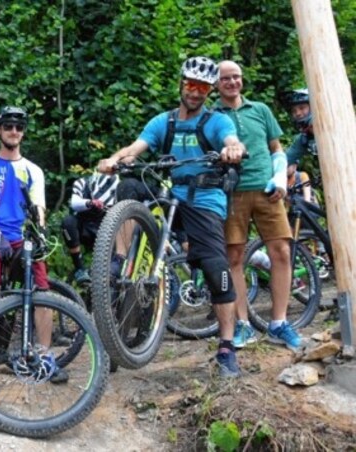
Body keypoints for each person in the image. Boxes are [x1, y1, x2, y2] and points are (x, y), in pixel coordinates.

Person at [97, 57, 246, 378]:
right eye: (190, 85)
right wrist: (113, 159)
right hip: (169, 195)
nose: (195, 92)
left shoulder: (216, 121)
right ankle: (122, 259)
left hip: (204, 200)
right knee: (130, 186)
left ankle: (226, 346)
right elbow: (135, 149)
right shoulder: (162, 122)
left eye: (203, 87)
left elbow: (231, 140)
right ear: (181, 84)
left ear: (209, 90)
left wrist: (232, 149)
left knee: (216, 267)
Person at [0, 106, 68, 384]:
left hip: (24, 238)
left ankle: (44, 357)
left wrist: (41, 236)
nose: (14, 131)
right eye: (8, 126)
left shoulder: (32, 170)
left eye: (19, 127)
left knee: (41, 292)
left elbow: (38, 208)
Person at [214, 60, 301, 352]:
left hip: (268, 192)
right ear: (216, 83)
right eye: (225, 78)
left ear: (242, 80)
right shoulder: (212, 115)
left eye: (236, 76)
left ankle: (279, 323)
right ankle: (242, 324)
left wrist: (279, 178)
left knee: (282, 252)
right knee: (234, 258)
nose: (232, 82)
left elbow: (277, 149)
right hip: (231, 193)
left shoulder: (261, 109)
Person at [61, 171, 119, 284]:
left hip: (106, 227)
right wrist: (90, 203)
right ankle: (79, 268)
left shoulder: (117, 185)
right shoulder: (82, 182)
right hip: (84, 226)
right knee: (68, 222)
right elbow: (75, 202)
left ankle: (112, 272)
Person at [282, 88, 317, 179]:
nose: (297, 113)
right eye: (294, 111)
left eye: (302, 108)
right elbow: (286, 159)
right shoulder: (304, 139)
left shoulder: (332, 125)